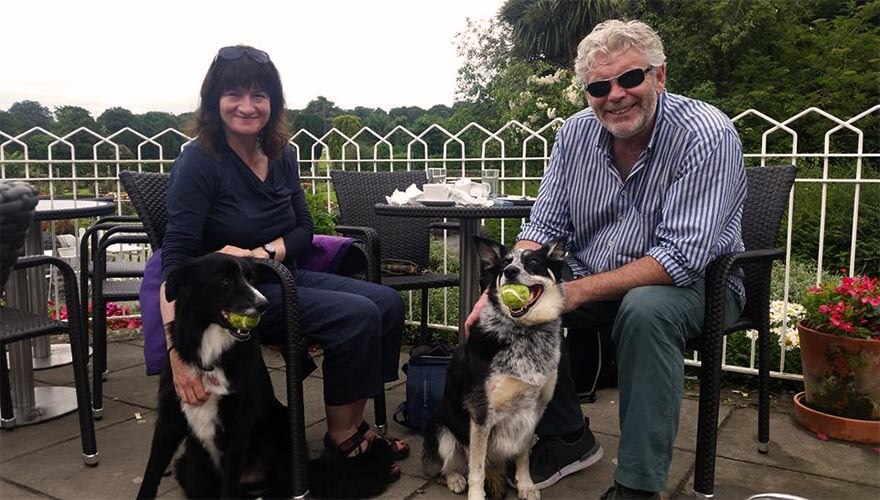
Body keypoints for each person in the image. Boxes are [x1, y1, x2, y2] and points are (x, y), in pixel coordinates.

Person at [466, 20, 746, 499]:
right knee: (526, 302)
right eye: (599, 86)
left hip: (698, 286)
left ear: (660, 76)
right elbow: (543, 228)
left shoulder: (706, 133)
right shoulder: (575, 135)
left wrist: (569, 292)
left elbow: (680, 257)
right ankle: (569, 436)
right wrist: (498, 297)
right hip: (599, 275)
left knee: (644, 310)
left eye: (630, 78)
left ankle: (636, 486)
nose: (615, 95)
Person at [158, 45, 408, 476]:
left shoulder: (281, 155)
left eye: (259, 95)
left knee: (387, 302)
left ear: (273, 103)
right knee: (357, 315)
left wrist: (261, 253)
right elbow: (175, 260)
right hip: (234, 304)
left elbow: (303, 229)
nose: (247, 106)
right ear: (214, 101)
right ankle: (344, 438)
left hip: (279, 276)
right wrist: (178, 357)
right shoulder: (199, 162)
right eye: (234, 94)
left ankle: (349, 422)